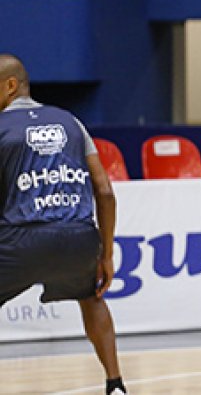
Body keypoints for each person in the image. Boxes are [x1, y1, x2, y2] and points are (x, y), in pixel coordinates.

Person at [0, 54, 127, 395]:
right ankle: (115, 384)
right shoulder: (71, 122)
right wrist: (106, 254)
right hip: (79, 238)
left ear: (10, 86)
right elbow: (105, 191)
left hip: (22, 238)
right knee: (91, 297)